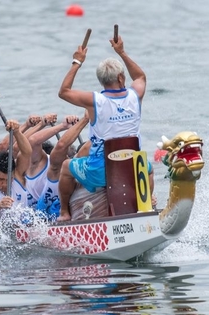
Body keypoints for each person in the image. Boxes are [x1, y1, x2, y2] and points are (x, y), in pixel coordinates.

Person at [55, 33, 153, 221]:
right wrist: (121, 52)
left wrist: (77, 61)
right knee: (149, 168)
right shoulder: (135, 95)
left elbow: (63, 92)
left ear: (101, 80)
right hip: (134, 169)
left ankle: (64, 213)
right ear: (121, 78)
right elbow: (140, 76)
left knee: (66, 167)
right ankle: (145, 206)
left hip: (100, 172)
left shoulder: (94, 101)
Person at [0, 120, 32, 222]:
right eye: (1, 179)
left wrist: (17, 132)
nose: (4, 184)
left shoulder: (17, 175)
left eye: (9, 179)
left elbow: (27, 152)